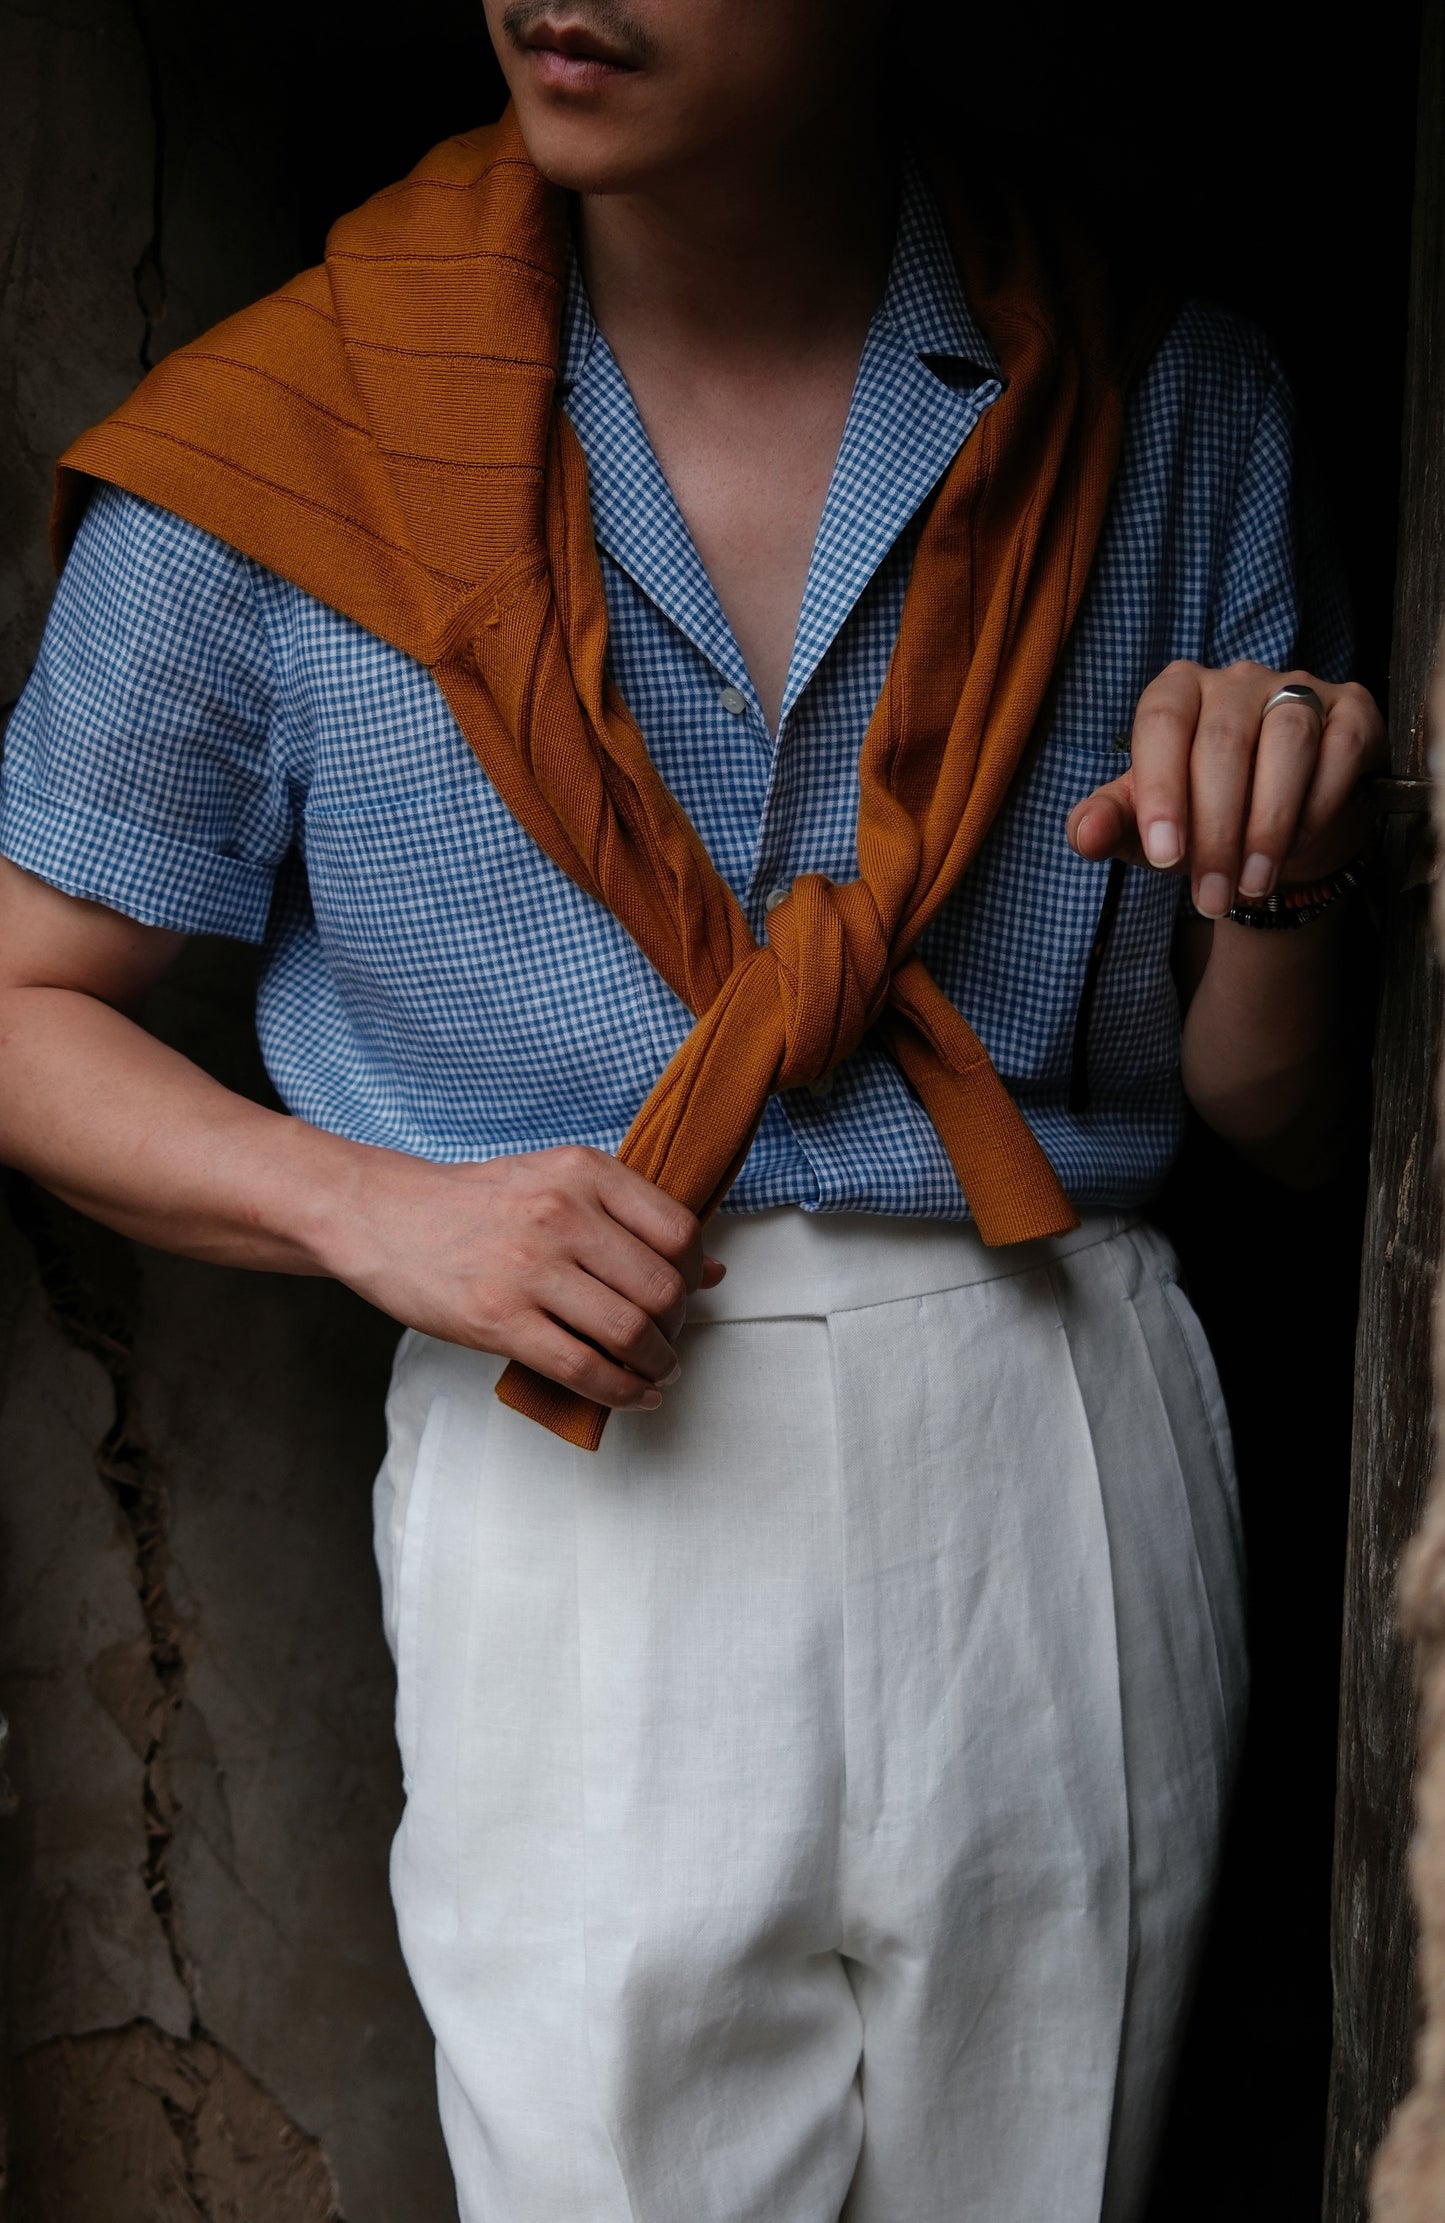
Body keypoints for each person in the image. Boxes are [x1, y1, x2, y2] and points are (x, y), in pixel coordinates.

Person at [0, 1, 1384, 2216]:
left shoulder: (1166, 406)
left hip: (1045, 1421)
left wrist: (1296, 841)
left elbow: (1286, 1121)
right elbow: (19, 998)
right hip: (579, 1449)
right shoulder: (298, 440)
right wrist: (372, 1211)